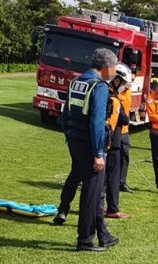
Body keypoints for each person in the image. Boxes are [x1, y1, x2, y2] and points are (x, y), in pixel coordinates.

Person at [60, 48, 119, 252]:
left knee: (93, 190)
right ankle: (85, 240)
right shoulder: (99, 86)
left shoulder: (76, 81)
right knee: (91, 193)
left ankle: (103, 234)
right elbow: (96, 122)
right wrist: (98, 154)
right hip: (90, 145)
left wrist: (69, 137)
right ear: (106, 67)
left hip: (75, 142)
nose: (114, 73)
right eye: (113, 68)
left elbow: (65, 113)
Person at [104, 63, 131, 219]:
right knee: (112, 176)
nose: (123, 86)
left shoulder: (105, 92)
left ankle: (103, 206)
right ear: (116, 80)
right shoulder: (112, 97)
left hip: (106, 140)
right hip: (112, 141)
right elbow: (124, 119)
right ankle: (111, 209)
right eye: (122, 83)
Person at [119, 78, 133, 193]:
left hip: (124, 130)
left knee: (125, 156)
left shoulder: (129, 92)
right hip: (114, 129)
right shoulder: (113, 91)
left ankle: (122, 182)